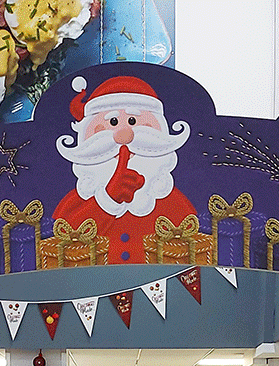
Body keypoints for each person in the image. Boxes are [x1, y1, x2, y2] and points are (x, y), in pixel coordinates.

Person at [54, 75, 196, 264]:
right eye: (112, 122)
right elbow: (62, 246)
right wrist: (107, 199)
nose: (124, 136)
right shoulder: (75, 205)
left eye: (133, 121)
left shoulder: (175, 204)